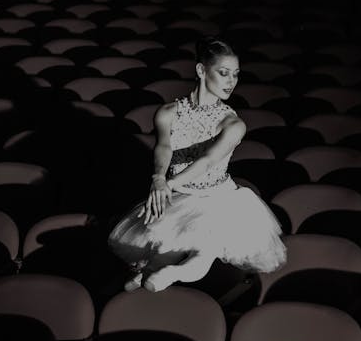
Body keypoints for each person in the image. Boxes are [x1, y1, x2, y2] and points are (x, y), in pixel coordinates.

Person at [107, 36, 287, 291]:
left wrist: (167, 184)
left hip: (219, 198)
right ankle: (149, 272)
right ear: (201, 70)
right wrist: (158, 178)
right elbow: (164, 147)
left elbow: (207, 160)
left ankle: (171, 273)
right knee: (162, 250)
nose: (231, 81)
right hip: (180, 196)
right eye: (224, 73)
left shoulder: (233, 123)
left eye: (235, 75)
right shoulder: (168, 112)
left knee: (205, 248)